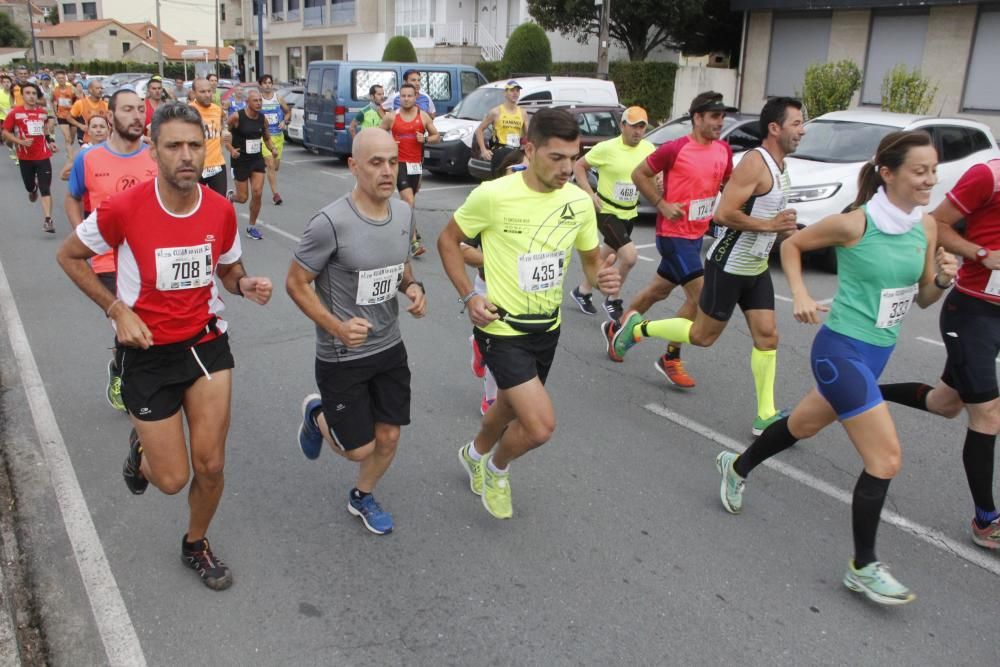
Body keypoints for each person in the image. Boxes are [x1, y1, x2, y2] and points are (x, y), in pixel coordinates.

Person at [715, 130, 958, 605]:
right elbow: (792, 246)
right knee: (885, 459)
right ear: (887, 173)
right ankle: (862, 566)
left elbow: (925, 298)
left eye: (933, 170)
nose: (930, 179)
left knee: (800, 426)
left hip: (877, 352)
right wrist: (801, 296)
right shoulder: (854, 224)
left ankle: (736, 465)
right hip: (840, 350)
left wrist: (944, 280)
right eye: (919, 170)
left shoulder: (924, 228)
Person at [56, 102, 273, 591]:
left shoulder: (219, 209)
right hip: (147, 352)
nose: (186, 155)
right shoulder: (124, 208)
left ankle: (195, 543)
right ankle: (144, 450)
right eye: (174, 145)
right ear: (153, 151)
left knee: (212, 464)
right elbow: (68, 255)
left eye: (195, 145)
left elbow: (228, 269)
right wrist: (116, 310)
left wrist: (245, 285)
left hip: (205, 343)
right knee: (172, 479)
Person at [437, 108, 621, 519]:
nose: (568, 168)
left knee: (506, 407)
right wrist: (469, 297)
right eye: (557, 158)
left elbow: (590, 259)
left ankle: (474, 453)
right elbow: (448, 241)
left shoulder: (578, 201)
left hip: (547, 329)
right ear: (530, 148)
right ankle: (497, 470)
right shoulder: (494, 195)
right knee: (539, 426)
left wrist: (601, 277)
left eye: (574, 158)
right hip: (501, 326)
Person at [611, 97, 804, 435]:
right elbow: (725, 213)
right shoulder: (693, 151)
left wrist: (787, 229)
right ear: (775, 128)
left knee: (768, 336)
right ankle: (641, 332)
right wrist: (660, 201)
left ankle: (765, 414)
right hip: (707, 251)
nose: (803, 130)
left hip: (750, 263)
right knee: (702, 331)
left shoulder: (741, 156)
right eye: (797, 124)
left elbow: (729, 194)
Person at [287, 128, 427, 535]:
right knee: (359, 448)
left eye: (392, 162)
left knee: (389, 436)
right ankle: (317, 414)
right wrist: (336, 326)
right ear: (353, 166)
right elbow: (296, 283)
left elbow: (400, 265)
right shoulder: (329, 223)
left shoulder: (403, 212)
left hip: (389, 346)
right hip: (341, 354)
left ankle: (362, 496)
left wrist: (413, 287)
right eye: (375, 162)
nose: (387, 171)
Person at [878, 158, 1000, 550]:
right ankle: (986, 520)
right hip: (973, 312)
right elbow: (937, 224)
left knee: (945, 403)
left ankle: (865, 393)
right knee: (989, 412)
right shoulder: (989, 175)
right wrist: (981, 254)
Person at [600, 93, 733, 388]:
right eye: (714, 116)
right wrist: (661, 203)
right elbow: (640, 174)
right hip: (673, 236)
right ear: (697, 118)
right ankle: (669, 356)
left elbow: (727, 183)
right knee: (700, 301)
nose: (720, 123)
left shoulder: (723, 149)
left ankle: (616, 328)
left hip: (697, 235)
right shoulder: (675, 148)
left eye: (722, 117)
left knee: (656, 292)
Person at [65, 90, 156, 412]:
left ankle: (132, 370)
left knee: (148, 322)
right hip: (106, 259)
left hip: (149, 258)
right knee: (124, 321)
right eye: (128, 109)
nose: (136, 116)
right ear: (112, 114)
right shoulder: (87, 158)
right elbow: (73, 197)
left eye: (140, 110)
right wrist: (81, 236)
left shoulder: (154, 156)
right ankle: (125, 374)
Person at [569, 105, 654, 323]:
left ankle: (583, 290)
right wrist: (589, 193)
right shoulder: (606, 148)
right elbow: (579, 166)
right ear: (622, 125)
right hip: (605, 210)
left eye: (641, 127)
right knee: (629, 256)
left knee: (607, 255)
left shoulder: (649, 148)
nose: (637, 131)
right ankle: (612, 298)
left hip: (629, 212)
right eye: (633, 126)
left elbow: (653, 175)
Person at [380, 83, 440, 257]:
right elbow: (378, 134)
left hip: (415, 165)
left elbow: (437, 137)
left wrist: (426, 138)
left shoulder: (423, 116)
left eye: (409, 96)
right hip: (398, 163)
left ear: (415, 97)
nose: (406, 99)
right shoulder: (392, 117)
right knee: (408, 200)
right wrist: (389, 142)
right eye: (403, 96)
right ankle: (413, 242)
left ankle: (404, 225)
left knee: (410, 201)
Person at [2, 82, 58, 233]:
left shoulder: (42, 112)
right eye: (28, 93)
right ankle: (33, 189)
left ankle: (48, 219)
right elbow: (5, 132)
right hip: (25, 156)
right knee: (30, 186)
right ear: (22, 95)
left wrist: (50, 141)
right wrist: (20, 142)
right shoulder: (15, 113)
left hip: (43, 155)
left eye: (34, 94)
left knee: (45, 188)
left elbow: (45, 128)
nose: (31, 96)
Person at [227, 89, 276, 240]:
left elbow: (266, 138)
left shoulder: (262, 119)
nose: (259, 103)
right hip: (240, 160)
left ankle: (251, 226)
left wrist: (272, 148)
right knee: (243, 198)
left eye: (260, 100)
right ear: (247, 102)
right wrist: (231, 149)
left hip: (256, 160)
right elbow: (225, 134)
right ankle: (231, 197)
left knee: (257, 192)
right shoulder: (236, 117)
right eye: (255, 101)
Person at [474, 80, 529, 178]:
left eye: (517, 91)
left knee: (513, 184)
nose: (515, 93)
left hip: (515, 153)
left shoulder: (522, 113)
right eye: (512, 90)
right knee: (498, 183)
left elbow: (528, 136)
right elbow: (479, 130)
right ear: (505, 93)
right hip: (500, 151)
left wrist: (526, 148)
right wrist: (484, 150)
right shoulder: (496, 112)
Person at [190, 78, 231, 196]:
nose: (207, 95)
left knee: (219, 203)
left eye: (209, 91)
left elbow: (223, 123)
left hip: (217, 164)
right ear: (194, 93)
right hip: (196, 166)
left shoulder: (217, 109)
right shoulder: (188, 110)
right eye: (202, 92)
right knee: (195, 204)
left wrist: (224, 131)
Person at [258, 74, 290, 205]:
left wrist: (284, 121)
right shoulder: (258, 100)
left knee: (275, 166)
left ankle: (268, 171)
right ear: (260, 85)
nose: (267, 85)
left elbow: (288, 112)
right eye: (265, 83)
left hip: (278, 136)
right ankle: (275, 195)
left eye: (270, 83)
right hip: (264, 137)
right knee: (270, 165)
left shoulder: (278, 98)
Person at [60, 113, 109, 180]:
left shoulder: (115, 150)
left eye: (102, 127)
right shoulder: (83, 151)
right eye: (94, 127)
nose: (98, 130)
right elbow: (64, 174)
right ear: (88, 131)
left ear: (108, 130)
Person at [69, 79, 108, 146]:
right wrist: (80, 125)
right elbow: (69, 118)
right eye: (97, 88)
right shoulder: (80, 103)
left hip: (102, 140)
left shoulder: (106, 105)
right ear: (90, 90)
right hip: (85, 140)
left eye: (101, 88)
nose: (100, 90)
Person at [50, 70, 78, 162]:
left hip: (73, 115)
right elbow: (52, 101)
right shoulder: (54, 90)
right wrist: (54, 112)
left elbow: (78, 99)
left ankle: (68, 149)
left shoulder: (72, 88)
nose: (61, 80)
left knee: (72, 139)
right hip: (61, 116)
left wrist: (74, 106)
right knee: (67, 137)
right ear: (56, 79)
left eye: (62, 78)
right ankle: (71, 157)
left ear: (65, 78)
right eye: (59, 78)